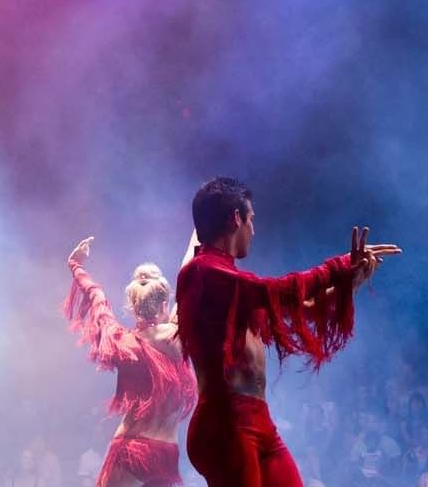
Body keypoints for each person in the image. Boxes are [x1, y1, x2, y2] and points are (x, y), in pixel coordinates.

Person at [176, 176, 401, 487]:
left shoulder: (229, 281)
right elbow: (277, 290)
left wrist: (350, 282)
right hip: (225, 421)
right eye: (251, 219)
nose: (253, 230)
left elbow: (303, 308)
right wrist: (338, 265)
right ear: (236, 218)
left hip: (257, 420)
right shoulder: (203, 272)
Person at [64, 236, 197, 487]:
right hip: (166, 453)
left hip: (133, 447)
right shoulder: (178, 333)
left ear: (134, 305)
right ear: (166, 301)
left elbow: (97, 298)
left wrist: (75, 264)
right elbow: (188, 267)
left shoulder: (125, 341)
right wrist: (200, 227)